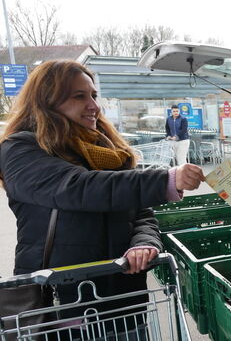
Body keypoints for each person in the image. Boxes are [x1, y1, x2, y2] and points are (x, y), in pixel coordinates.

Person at [0, 60, 205, 334]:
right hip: (62, 307)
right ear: (47, 101)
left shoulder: (108, 148)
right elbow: (79, 187)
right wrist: (165, 179)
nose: (94, 106)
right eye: (79, 96)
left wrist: (143, 243)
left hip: (125, 301)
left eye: (94, 96)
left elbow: (141, 212)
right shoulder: (21, 149)